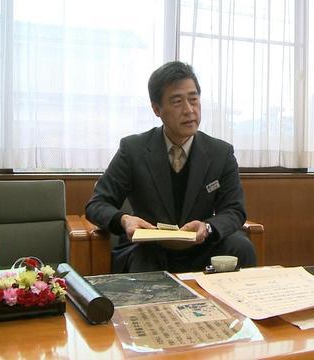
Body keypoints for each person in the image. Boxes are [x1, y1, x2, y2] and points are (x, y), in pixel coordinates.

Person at [86, 61, 256, 273]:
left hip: (201, 247)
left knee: (241, 247)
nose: (189, 110)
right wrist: (125, 219)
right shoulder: (134, 150)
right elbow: (97, 204)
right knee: (144, 262)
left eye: (194, 100)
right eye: (177, 102)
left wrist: (208, 227)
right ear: (157, 109)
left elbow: (234, 209)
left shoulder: (220, 153)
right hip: (150, 248)